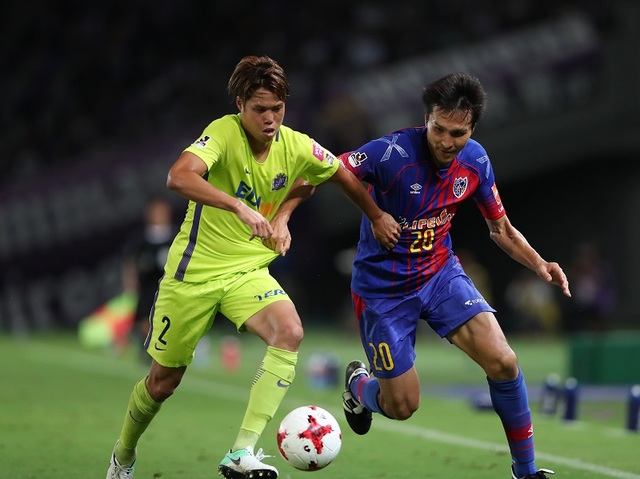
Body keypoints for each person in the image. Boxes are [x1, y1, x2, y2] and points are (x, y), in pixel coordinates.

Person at [105, 55, 400, 479]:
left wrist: (370, 215)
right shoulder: (223, 133)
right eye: (260, 109)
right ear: (240, 104)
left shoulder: (295, 144)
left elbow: (332, 174)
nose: (270, 118)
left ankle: (240, 452)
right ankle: (123, 455)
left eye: (277, 108)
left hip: (247, 273)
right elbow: (179, 176)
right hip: (193, 275)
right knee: (162, 383)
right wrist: (238, 207)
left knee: (290, 331)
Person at [281, 72, 571, 479]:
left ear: (472, 129)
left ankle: (526, 471)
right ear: (426, 119)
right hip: (382, 292)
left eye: (458, 133)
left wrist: (539, 263)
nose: (446, 142)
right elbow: (322, 169)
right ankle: (359, 387)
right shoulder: (391, 153)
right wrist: (285, 217)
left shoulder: (476, 162)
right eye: (439, 129)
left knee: (504, 361)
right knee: (402, 406)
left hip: (439, 275)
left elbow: (501, 229)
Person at [121, 196, 177, 362]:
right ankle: (148, 348)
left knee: (167, 318)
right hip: (147, 286)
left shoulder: (176, 235)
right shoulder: (141, 238)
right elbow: (130, 260)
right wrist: (130, 280)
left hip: (169, 286)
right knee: (145, 318)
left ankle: (163, 348)